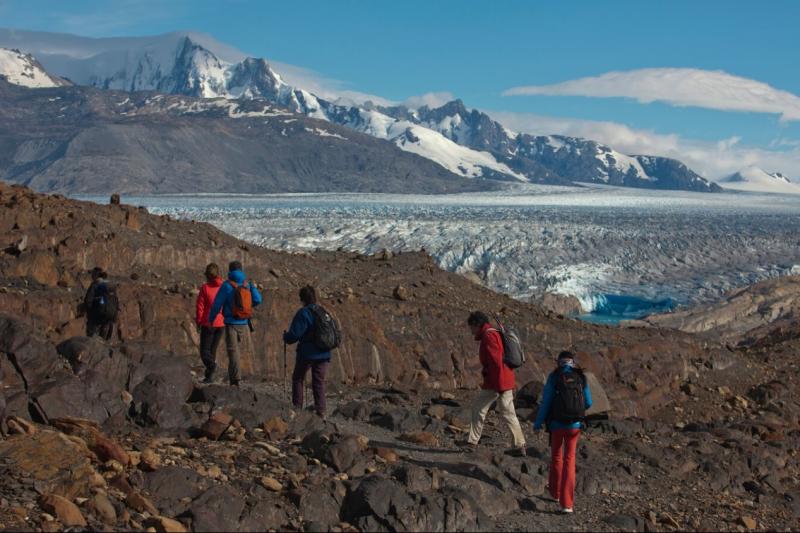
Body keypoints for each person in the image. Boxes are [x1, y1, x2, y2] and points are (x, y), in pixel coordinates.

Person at [533, 351, 593, 514]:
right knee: (570, 460)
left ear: (558, 362)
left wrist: (538, 423)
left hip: (556, 425)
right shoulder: (581, 377)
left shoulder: (554, 377)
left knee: (557, 457)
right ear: (572, 362)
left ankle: (555, 493)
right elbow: (589, 402)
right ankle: (567, 504)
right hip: (574, 426)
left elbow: (546, 403)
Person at [464, 311, 526, 456]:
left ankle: (472, 442)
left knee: (478, 408)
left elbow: (496, 361)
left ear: (477, 325)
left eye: (471, 327)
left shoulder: (489, 336)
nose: (471, 331)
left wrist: (498, 385)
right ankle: (519, 445)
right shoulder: (494, 333)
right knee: (508, 413)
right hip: (506, 379)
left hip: (496, 382)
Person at [208, 261, 262, 386]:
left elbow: (217, 305)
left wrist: (211, 320)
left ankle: (235, 380)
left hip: (231, 322)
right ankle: (236, 377)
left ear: (230, 271)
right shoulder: (246, 284)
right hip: (244, 323)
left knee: (233, 351)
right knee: (238, 351)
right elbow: (258, 299)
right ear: (241, 270)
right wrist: (246, 307)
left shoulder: (227, 285)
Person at [283, 285, 331, 418]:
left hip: (308, 353)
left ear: (302, 299)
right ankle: (321, 411)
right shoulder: (323, 311)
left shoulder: (303, 313)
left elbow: (294, 335)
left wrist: (286, 337)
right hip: (325, 352)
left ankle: (297, 408)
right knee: (318, 381)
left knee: (298, 378)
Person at [196, 263, 225, 383]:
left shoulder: (205, 288)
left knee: (204, 352)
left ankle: (212, 367)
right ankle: (209, 377)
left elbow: (200, 307)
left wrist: (199, 321)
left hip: (209, 324)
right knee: (212, 351)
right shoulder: (224, 286)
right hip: (221, 323)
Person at [84, 267, 116, 340]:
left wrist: (89, 311)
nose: (91, 276)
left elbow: (88, 300)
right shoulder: (110, 285)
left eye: (92, 274)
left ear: (95, 275)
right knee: (104, 340)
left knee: (92, 339)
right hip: (109, 316)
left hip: (97, 316)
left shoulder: (95, 285)